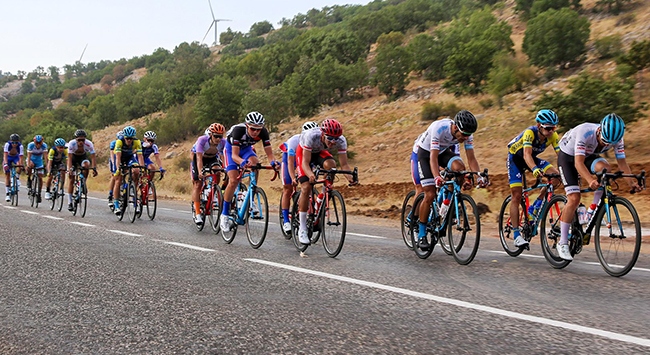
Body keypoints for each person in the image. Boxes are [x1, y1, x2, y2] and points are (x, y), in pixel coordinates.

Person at [556, 113, 642, 261]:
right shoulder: (585, 132)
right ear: (600, 130)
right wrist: (590, 180)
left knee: (605, 170)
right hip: (568, 157)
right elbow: (578, 163)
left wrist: (631, 182)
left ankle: (591, 212)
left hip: (588, 155)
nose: (604, 144)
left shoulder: (617, 138)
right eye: (603, 141)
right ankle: (562, 242)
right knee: (574, 198)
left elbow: (622, 163)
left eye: (608, 144)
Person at [414, 110, 487, 250]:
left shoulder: (467, 134)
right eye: (463, 135)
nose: (465, 138)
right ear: (455, 127)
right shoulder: (439, 128)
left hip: (442, 152)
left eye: (468, 135)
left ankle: (448, 205)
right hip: (425, 153)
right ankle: (422, 233)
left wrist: (478, 176)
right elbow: (433, 158)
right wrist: (436, 177)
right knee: (429, 194)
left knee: (460, 167)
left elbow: (471, 158)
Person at [295, 118, 357, 245]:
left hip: (319, 152)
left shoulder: (341, 140)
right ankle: (302, 228)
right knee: (306, 187)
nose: (333, 142)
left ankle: (323, 196)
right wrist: (310, 174)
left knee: (332, 165)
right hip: (304, 153)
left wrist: (351, 178)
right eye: (330, 138)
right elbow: (305, 163)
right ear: (323, 134)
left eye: (336, 139)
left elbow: (344, 165)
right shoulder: (311, 136)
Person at [506, 109, 561, 248]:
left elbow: (561, 156)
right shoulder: (530, 133)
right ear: (539, 125)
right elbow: (526, 155)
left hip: (532, 159)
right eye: (548, 128)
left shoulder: (553, 136)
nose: (551, 131)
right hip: (516, 160)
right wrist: (535, 169)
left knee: (556, 178)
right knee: (517, 196)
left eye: (553, 128)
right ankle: (517, 235)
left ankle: (535, 207)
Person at [220, 112, 279, 231]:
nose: (256, 132)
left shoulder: (263, 132)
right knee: (233, 180)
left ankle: (250, 198)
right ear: (247, 125)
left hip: (246, 149)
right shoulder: (238, 131)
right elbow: (235, 156)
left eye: (258, 129)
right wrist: (242, 162)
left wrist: (274, 163)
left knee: (256, 164)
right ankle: (224, 214)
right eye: (253, 129)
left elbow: (270, 154)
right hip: (231, 151)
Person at [279, 121, 319, 233]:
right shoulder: (294, 141)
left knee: (308, 186)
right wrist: (292, 177)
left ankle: (309, 211)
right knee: (287, 188)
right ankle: (286, 221)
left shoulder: (314, 142)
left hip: (304, 157)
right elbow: (290, 163)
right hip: (289, 159)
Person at [191, 123, 225, 225]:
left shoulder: (223, 142)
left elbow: (224, 157)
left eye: (220, 136)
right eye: (216, 136)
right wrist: (201, 171)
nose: (218, 139)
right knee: (198, 184)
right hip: (200, 159)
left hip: (212, 158)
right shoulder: (202, 140)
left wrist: (226, 168)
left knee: (218, 171)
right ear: (210, 135)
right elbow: (198, 158)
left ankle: (213, 191)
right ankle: (197, 213)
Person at [111, 126, 145, 215]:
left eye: (131, 139)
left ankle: (133, 189)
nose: (129, 140)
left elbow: (140, 156)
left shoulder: (137, 142)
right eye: (127, 138)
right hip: (120, 158)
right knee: (118, 179)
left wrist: (142, 168)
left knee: (137, 171)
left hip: (129, 157)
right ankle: (116, 204)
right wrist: (118, 168)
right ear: (124, 137)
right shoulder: (119, 142)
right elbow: (118, 157)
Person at [66, 129, 98, 211]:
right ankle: (70, 202)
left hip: (82, 158)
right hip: (73, 158)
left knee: (86, 165)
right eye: (79, 140)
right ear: (76, 139)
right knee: (71, 179)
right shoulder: (71, 144)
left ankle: (83, 182)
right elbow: (69, 158)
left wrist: (94, 168)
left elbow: (93, 156)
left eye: (83, 140)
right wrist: (70, 169)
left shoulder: (89, 143)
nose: (81, 142)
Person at [26, 135, 49, 203]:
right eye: (37, 143)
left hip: (39, 160)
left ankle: (39, 193)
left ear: (42, 142)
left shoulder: (44, 145)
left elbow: (45, 157)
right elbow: (29, 156)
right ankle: (29, 178)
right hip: (32, 159)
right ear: (34, 141)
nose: (38, 144)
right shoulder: (31, 145)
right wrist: (28, 165)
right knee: (30, 165)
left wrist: (47, 166)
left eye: (40, 143)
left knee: (40, 177)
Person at [3, 134, 24, 202]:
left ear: (18, 142)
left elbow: (21, 157)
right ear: (11, 141)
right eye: (13, 142)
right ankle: (7, 194)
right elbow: (5, 156)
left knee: (19, 165)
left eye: (16, 142)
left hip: (15, 157)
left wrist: (21, 165)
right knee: (7, 174)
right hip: (8, 157)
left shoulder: (20, 146)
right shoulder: (7, 144)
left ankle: (17, 178)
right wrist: (6, 164)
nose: (14, 144)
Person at [107, 130, 123, 207]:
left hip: (122, 158)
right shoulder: (113, 143)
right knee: (114, 176)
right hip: (114, 158)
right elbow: (112, 154)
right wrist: (114, 164)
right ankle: (110, 194)